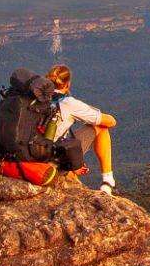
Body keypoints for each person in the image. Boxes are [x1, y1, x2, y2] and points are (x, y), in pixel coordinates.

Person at [45, 64, 118, 194]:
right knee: (101, 127)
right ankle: (108, 180)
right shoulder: (69, 103)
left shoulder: (36, 99)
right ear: (67, 84)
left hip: (31, 154)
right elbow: (111, 122)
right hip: (52, 161)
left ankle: (72, 171)